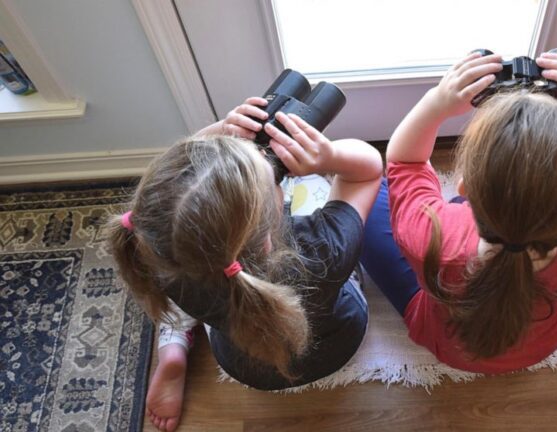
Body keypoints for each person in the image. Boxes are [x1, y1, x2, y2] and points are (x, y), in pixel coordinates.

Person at [361, 49, 557, 373]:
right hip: (543, 343)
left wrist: (437, 103)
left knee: (368, 192)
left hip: (447, 342)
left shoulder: (433, 234)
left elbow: (405, 161)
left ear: (463, 188)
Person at [109, 98, 382, 431]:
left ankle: (173, 346)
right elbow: (366, 173)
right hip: (335, 347)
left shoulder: (149, 245)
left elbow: (176, 198)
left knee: (184, 259)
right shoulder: (321, 249)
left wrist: (219, 134)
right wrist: (327, 158)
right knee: (314, 187)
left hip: (241, 363)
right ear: (268, 237)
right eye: (275, 183)